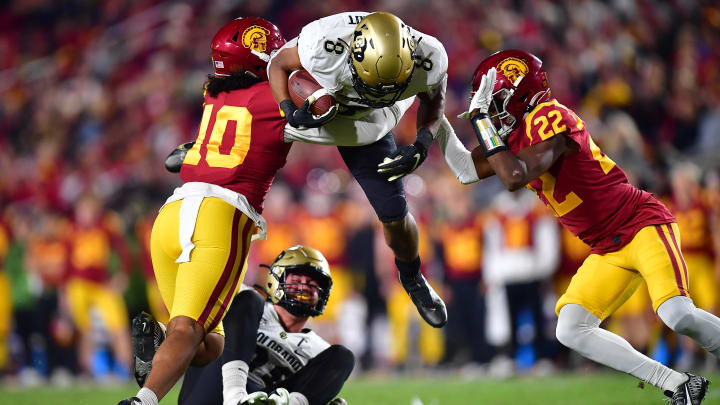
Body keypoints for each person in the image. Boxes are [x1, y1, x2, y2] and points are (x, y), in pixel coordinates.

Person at [441, 49, 719, 404]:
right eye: (488, 106)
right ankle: (678, 383)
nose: (492, 112)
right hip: (607, 247)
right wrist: (435, 123)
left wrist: (480, 120)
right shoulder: (511, 138)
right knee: (571, 328)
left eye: (496, 102)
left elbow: (513, 177)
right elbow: (465, 169)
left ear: (521, 95)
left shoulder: (548, 115)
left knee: (676, 313)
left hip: (640, 224)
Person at [118, 16, 290, 405]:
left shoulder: (214, 95)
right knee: (188, 329)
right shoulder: (273, 95)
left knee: (208, 343)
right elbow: (320, 115)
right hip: (220, 215)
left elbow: (175, 159)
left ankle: (160, 338)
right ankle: (143, 401)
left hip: (172, 213)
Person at [267, 11, 448, 328]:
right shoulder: (322, 45)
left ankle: (412, 276)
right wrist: (287, 109)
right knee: (246, 113)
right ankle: (205, 145)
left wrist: (420, 145)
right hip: (320, 97)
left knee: (394, 211)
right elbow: (277, 65)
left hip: (368, 122)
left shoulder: (429, 56)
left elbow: (434, 99)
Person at [178, 245, 353, 405]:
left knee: (343, 356)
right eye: (298, 277)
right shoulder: (246, 305)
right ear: (276, 278)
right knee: (249, 298)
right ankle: (235, 396)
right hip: (213, 392)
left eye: (314, 282)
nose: (304, 285)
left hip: (265, 399)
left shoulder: (320, 351)